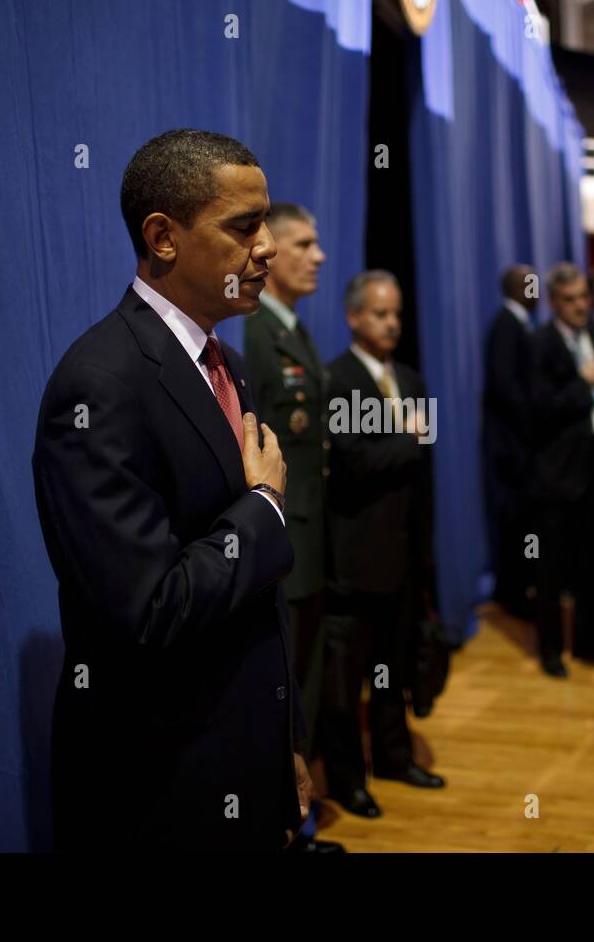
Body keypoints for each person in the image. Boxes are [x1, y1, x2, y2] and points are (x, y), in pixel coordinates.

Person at [32, 129, 310, 852]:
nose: (268, 248)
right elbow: (149, 611)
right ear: (163, 237)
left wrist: (285, 739)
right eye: (244, 227)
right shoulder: (99, 385)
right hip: (159, 787)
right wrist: (264, 509)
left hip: (242, 759)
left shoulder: (230, 365)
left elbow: (255, 600)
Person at [321, 270, 445, 818]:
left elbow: (425, 472)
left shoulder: (413, 380)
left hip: (405, 553)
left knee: (393, 666)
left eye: (396, 313)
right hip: (356, 556)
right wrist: (409, 437)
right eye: (379, 314)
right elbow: (352, 461)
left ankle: (395, 757)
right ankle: (348, 779)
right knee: (348, 679)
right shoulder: (339, 379)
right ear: (353, 317)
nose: (391, 323)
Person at [241, 202, 342, 853]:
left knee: (303, 685)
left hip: (311, 536)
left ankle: (292, 821)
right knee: (282, 695)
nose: (319, 255)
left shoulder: (295, 332)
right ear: (273, 252)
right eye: (304, 243)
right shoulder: (255, 338)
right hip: (285, 543)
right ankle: (281, 829)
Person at [530, 263, 594, 679]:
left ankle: (589, 642)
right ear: (554, 302)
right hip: (558, 474)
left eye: (584, 297)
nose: (580, 306)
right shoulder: (540, 344)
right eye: (570, 300)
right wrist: (582, 384)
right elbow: (536, 408)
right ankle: (551, 648)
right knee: (551, 569)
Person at [482, 265, 538, 620]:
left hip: (516, 442)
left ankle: (516, 589)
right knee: (514, 522)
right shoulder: (507, 324)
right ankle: (512, 594)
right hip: (511, 444)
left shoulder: (516, 323)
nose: (537, 291)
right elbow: (506, 386)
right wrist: (537, 414)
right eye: (530, 285)